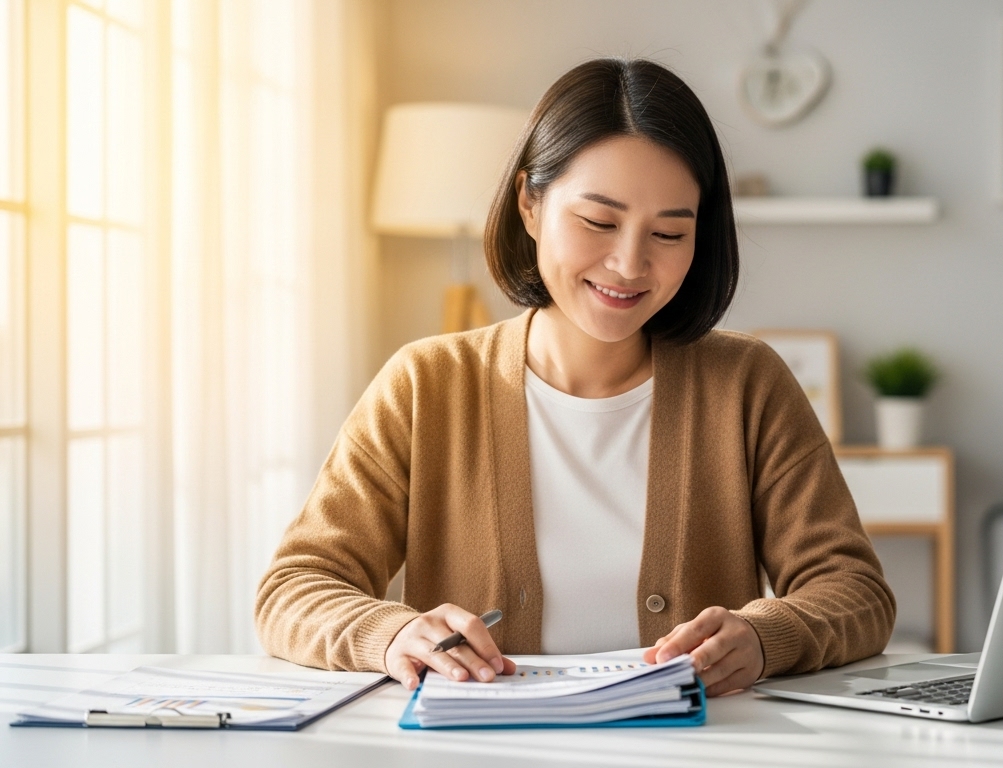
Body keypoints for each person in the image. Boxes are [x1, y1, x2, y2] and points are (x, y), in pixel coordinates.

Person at [255, 58, 895, 698]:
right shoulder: (426, 385)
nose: (629, 263)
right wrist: (390, 633)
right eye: (598, 222)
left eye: (669, 232)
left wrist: (765, 637)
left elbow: (855, 591)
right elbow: (295, 588)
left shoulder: (747, 384)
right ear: (530, 203)